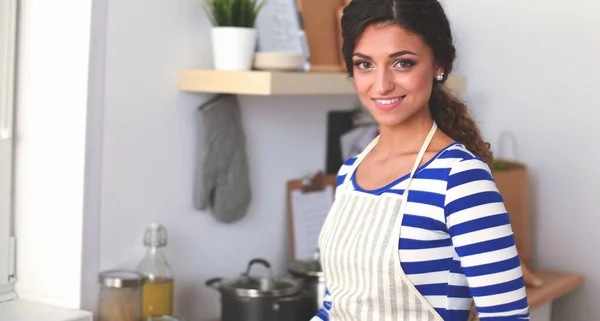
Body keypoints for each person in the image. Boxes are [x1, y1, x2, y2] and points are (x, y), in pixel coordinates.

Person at [311, 0, 530, 320]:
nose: (382, 84)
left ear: (438, 64)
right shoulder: (350, 171)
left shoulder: (460, 178)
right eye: (365, 64)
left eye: (403, 63)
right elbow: (336, 306)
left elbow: (506, 317)